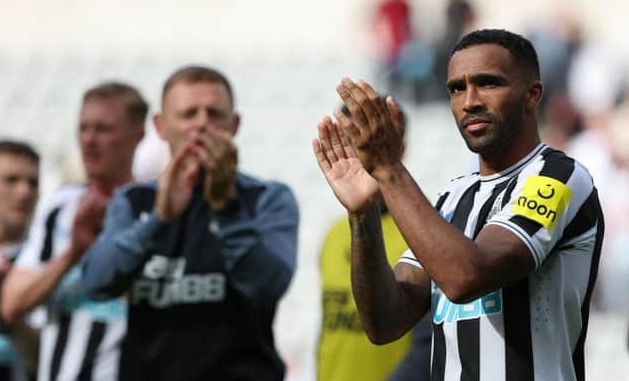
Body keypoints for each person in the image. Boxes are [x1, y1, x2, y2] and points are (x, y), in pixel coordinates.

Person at [313, 29, 604, 380]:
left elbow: (467, 277)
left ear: (532, 94)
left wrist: (388, 170)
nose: (470, 101)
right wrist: (363, 214)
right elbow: (384, 323)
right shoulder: (452, 198)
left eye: (488, 83)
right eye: (457, 88)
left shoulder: (558, 176)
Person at [80, 65, 299, 381]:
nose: (201, 124)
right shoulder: (135, 200)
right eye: (188, 114)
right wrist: (158, 219)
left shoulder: (266, 198)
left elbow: (267, 287)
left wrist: (226, 208)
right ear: (160, 126)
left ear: (234, 125)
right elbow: (96, 285)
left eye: (214, 114)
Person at [0, 82, 148, 381]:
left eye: (103, 129)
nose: (89, 141)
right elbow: (11, 305)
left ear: (138, 136)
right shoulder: (59, 207)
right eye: (83, 128)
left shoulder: (157, 211)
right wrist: (74, 253)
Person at [318, 102, 430, 381]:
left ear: (397, 146)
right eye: (348, 139)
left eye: (368, 138)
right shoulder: (334, 232)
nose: (357, 151)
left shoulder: (424, 229)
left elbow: (429, 343)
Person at [0, 140, 40, 381]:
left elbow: (50, 358)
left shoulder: (50, 262)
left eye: (33, 182)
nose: (24, 192)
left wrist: (6, 311)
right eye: (11, 180)